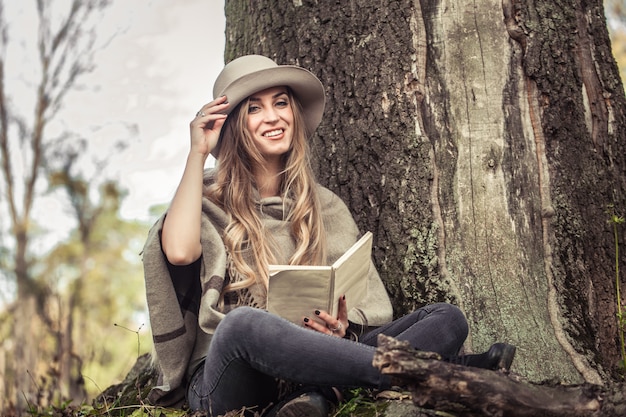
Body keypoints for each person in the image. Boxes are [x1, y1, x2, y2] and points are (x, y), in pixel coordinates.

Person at [142, 55, 516, 417]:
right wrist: (197, 152)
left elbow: (358, 303)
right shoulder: (202, 200)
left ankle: (320, 391)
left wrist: (340, 328)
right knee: (243, 325)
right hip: (228, 378)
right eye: (254, 108)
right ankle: (442, 373)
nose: (272, 117)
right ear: (233, 125)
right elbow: (178, 252)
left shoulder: (325, 206)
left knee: (446, 318)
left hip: (315, 362)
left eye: (281, 103)